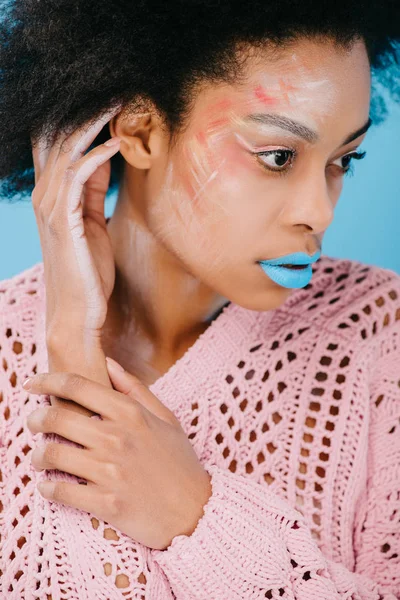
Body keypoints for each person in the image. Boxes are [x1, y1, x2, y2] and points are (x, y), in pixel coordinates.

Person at [0, 1, 399, 598]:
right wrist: (70, 345)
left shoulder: (379, 337)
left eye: (343, 160)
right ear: (139, 132)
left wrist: (195, 515)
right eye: (279, 157)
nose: (318, 212)